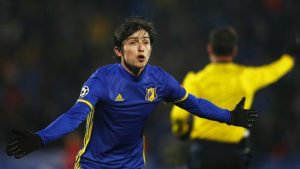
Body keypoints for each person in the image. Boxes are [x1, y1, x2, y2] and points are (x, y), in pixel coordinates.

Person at [5, 17, 257, 169]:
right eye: (133, 42)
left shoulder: (159, 80)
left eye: (146, 42)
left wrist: (229, 117)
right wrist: (41, 138)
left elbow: (193, 103)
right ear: (118, 50)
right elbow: (75, 115)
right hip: (94, 165)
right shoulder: (102, 79)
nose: (141, 48)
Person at [170, 26, 298, 169]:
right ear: (234, 50)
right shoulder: (247, 77)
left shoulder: (195, 80)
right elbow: (274, 71)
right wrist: (288, 58)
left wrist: (182, 132)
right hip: (234, 154)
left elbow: (179, 116)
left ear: (209, 49)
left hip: (203, 152)